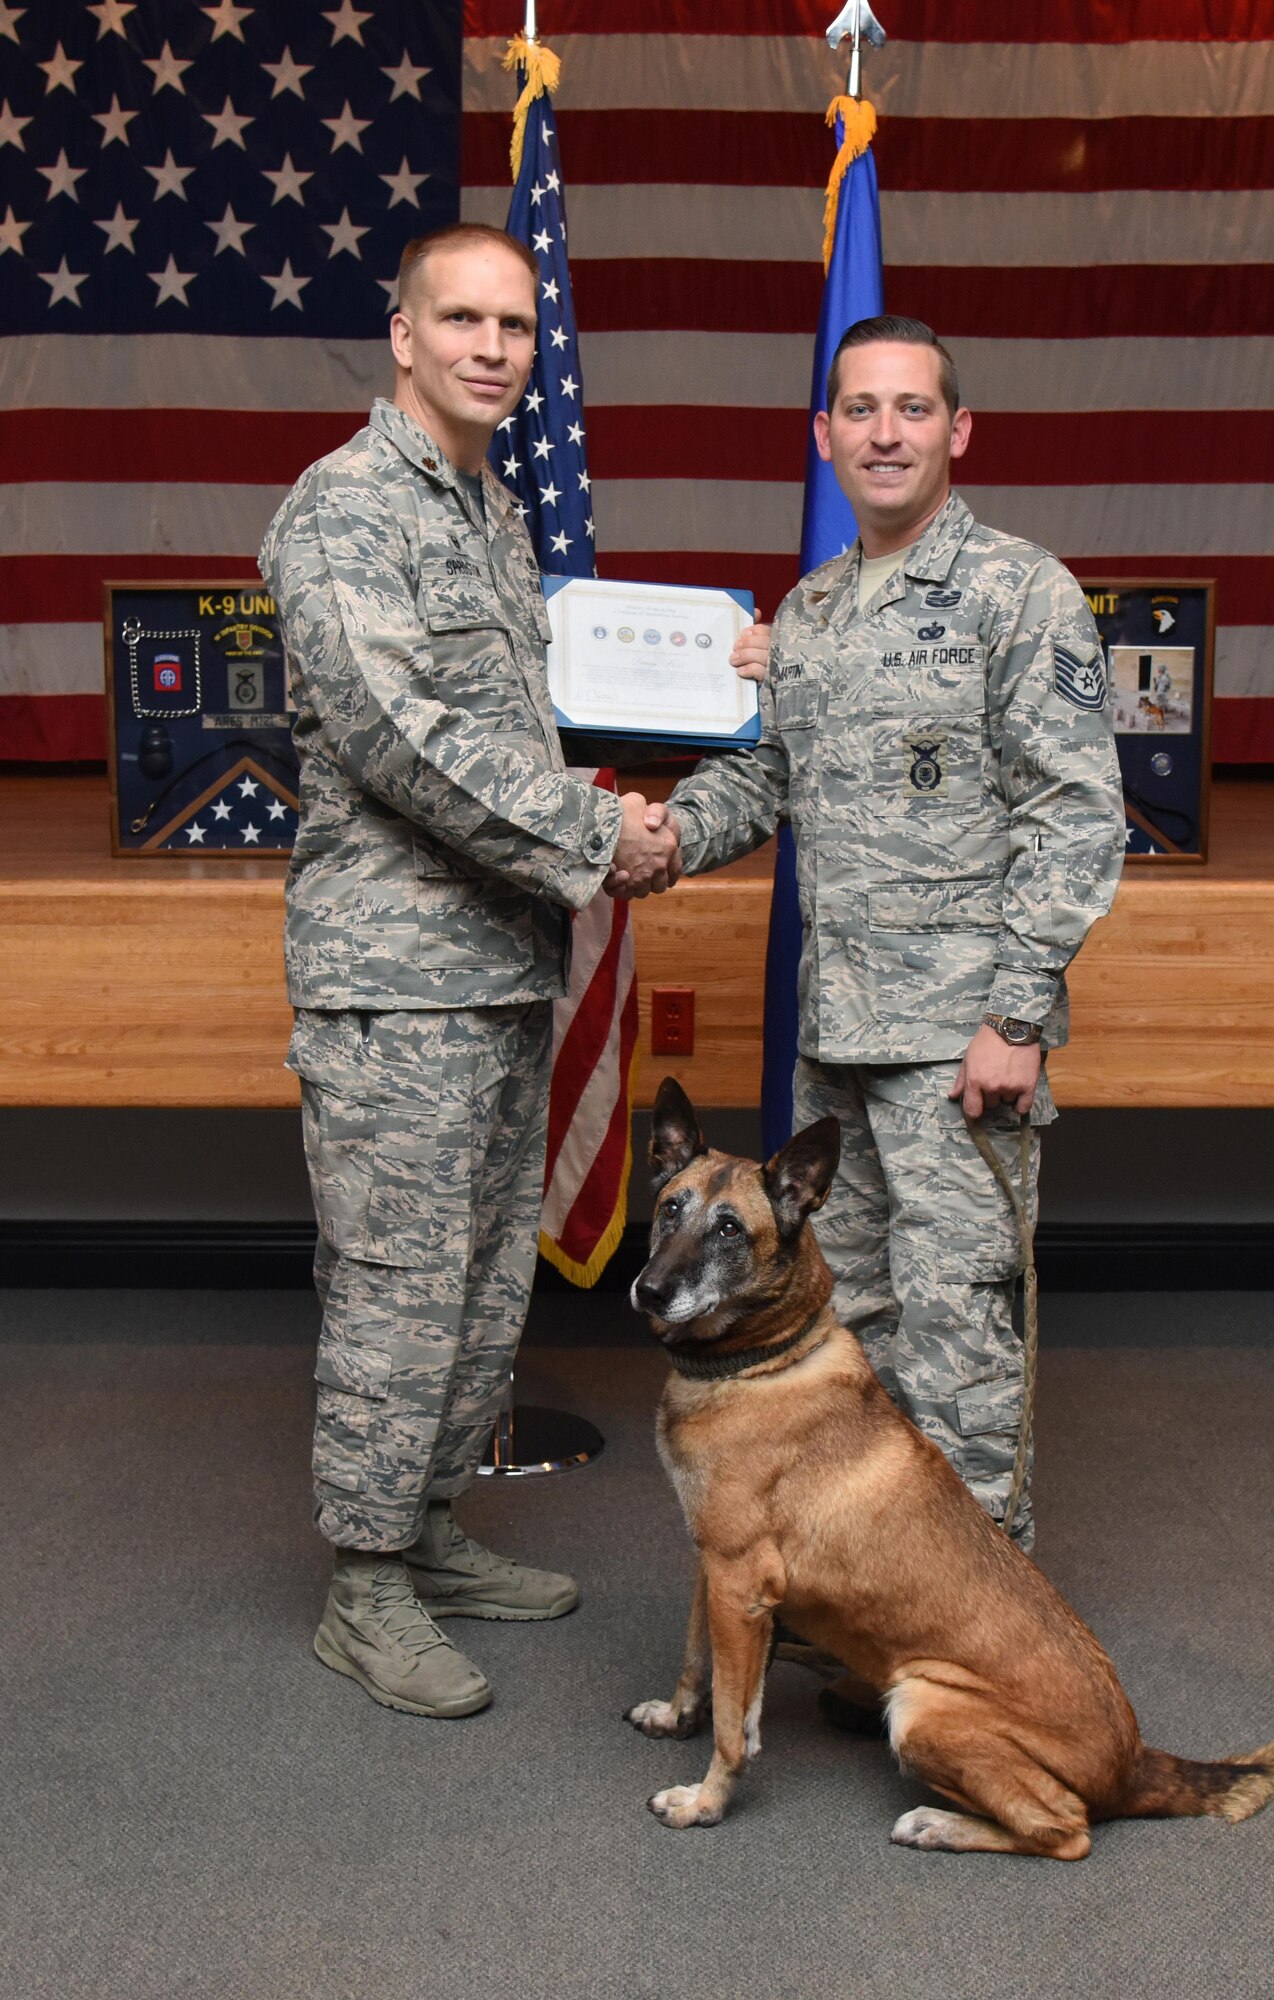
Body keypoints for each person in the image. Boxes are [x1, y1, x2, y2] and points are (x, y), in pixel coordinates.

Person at [613, 315, 1124, 1557]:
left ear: (956, 432)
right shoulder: (816, 611)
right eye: (859, 410)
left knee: (961, 1336)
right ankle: (869, 1591)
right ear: (824, 434)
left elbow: (1078, 813)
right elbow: (767, 778)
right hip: (834, 1040)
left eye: (909, 409)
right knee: (847, 1333)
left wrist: (1013, 1017)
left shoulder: (1017, 589)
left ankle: (977, 1615)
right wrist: (665, 834)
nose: (882, 432)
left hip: (958, 1044)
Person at [259, 223, 679, 1718]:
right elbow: (399, 740)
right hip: (395, 983)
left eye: (516, 323)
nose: (495, 348)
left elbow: (518, 725)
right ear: (405, 335)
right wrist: (599, 831)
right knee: (394, 1286)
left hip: (499, 966)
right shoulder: (344, 511)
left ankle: (429, 1531)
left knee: (485, 1284)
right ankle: (363, 1587)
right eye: (465, 320)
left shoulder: (493, 513)